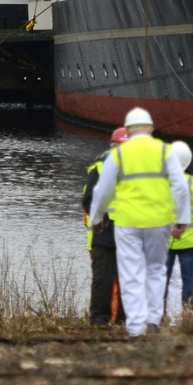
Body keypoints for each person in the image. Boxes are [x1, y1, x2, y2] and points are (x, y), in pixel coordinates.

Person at [87, 108, 191, 336]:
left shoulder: (119, 155)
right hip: (159, 220)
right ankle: (153, 319)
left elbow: (102, 191)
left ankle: (134, 327)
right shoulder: (165, 151)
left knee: (130, 273)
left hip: (128, 222)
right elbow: (181, 188)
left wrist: (95, 219)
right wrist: (182, 219)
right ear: (151, 129)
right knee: (155, 269)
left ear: (130, 130)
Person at [83, 127, 129, 326]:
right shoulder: (103, 169)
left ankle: (111, 319)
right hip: (118, 231)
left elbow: (88, 200)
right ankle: (111, 319)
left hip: (117, 230)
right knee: (115, 278)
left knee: (115, 278)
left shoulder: (102, 169)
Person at [164, 141, 193, 323]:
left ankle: (158, 318)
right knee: (189, 281)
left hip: (166, 240)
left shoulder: (162, 184)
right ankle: (188, 318)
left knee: (161, 279)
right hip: (190, 241)